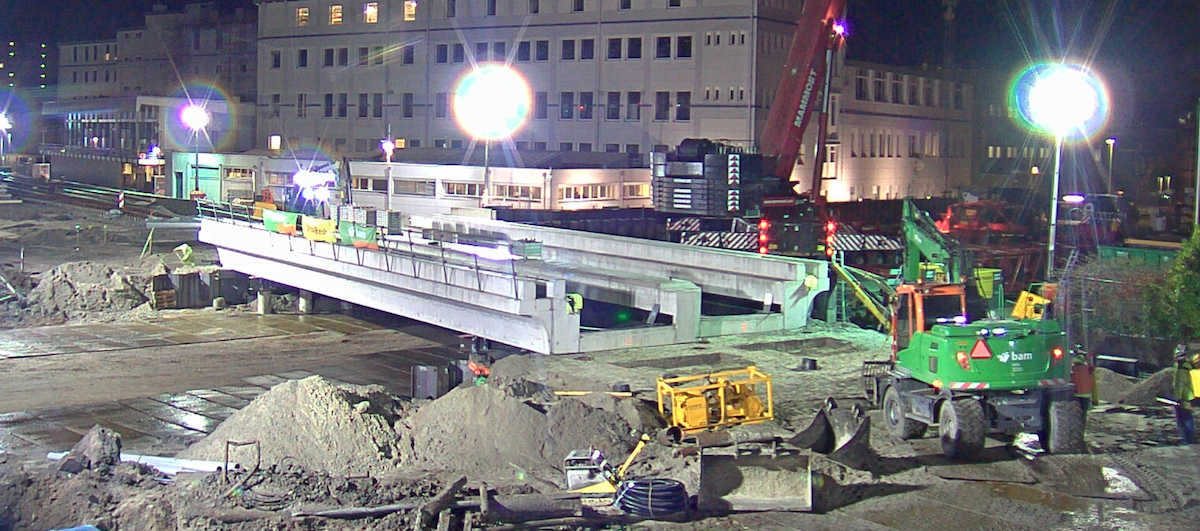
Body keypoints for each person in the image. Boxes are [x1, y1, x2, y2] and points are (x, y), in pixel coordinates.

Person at [1172, 344, 1198, 445]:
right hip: (1188, 396)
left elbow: (1180, 385)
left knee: (1185, 418)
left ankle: (1187, 440)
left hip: (1184, 397)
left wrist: (1177, 398)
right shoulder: (1185, 366)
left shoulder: (1181, 368)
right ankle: (1187, 438)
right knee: (1187, 416)